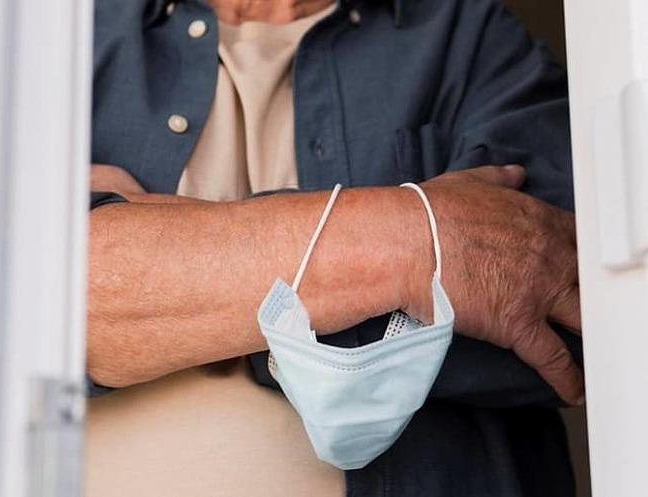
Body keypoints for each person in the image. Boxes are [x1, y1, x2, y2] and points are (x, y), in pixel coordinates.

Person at [87, 0, 583, 495]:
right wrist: (413, 239)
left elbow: (566, 303)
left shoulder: (468, 35)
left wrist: (161, 269)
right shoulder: (72, 36)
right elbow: (58, 298)